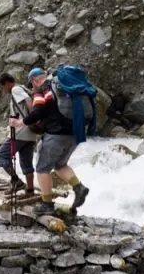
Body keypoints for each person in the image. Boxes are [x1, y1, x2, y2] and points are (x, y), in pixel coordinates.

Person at [9, 67, 89, 216]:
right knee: (60, 165)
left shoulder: (43, 89)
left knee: (42, 169)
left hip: (56, 135)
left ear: (35, 79)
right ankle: (79, 188)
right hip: (75, 133)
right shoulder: (62, 87)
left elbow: (37, 112)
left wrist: (20, 123)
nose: (32, 87)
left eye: (32, 84)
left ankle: (47, 205)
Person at [0, 73, 38, 193]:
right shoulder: (23, 88)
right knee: (26, 162)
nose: (4, 90)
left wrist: (31, 118)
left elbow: (28, 100)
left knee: (2, 155)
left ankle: (16, 181)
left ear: (7, 83)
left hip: (20, 132)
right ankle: (30, 190)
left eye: (3, 86)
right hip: (30, 134)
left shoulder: (16, 89)